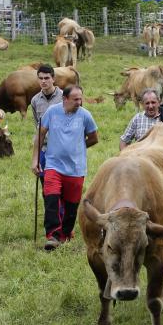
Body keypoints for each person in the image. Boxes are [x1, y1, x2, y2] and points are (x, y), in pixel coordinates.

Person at [32, 85, 98, 251]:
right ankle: (52, 236)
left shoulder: (85, 115)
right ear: (65, 99)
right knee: (51, 198)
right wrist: (35, 160)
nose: (79, 102)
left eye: (80, 99)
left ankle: (65, 233)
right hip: (53, 165)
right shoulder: (52, 112)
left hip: (76, 169)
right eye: (75, 99)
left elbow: (94, 138)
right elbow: (40, 135)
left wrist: (78, 147)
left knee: (71, 207)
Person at [30, 64, 63, 184]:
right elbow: (37, 125)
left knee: (61, 185)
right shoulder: (35, 100)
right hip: (44, 148)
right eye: (41, 78)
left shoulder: (64, 98)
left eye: (47, 78)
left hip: (61, 149)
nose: (43, 81)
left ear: (53, 79)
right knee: (46, 186)